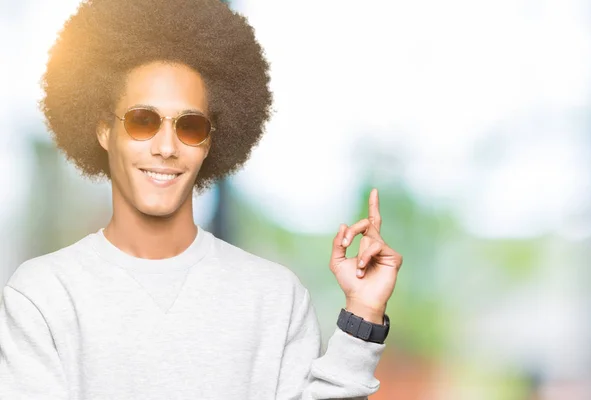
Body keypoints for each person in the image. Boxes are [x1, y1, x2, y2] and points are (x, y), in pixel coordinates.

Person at [0, 0, 403, 398]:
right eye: (144, 120)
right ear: (105, 131)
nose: (167, 147)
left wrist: (363, 312)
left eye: (190, 126)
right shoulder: (42, 295)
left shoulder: (275, 297)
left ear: (210, 142)